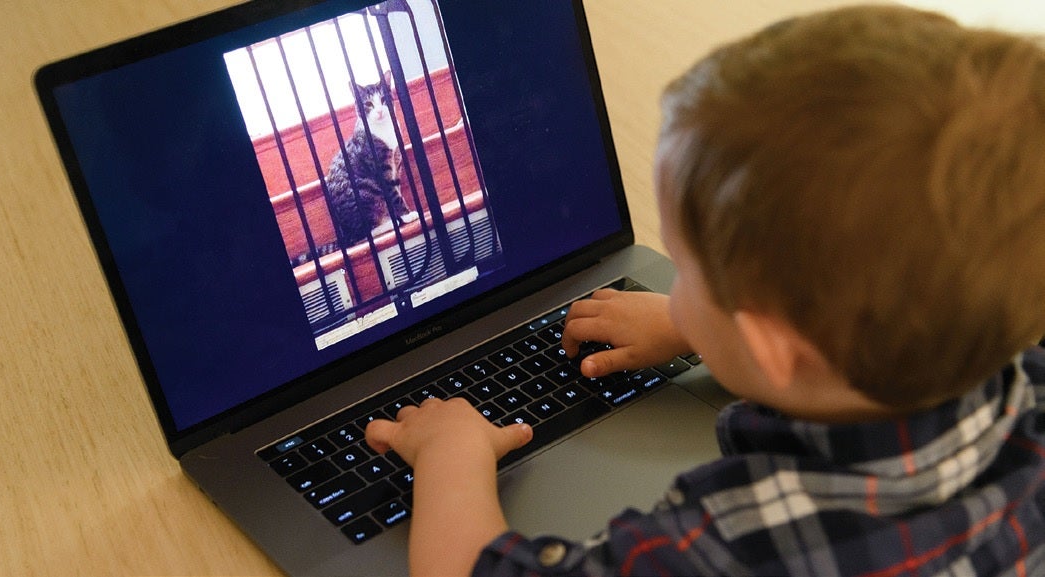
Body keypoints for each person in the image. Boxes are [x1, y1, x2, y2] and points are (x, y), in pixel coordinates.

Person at [365, 5, 1045, 576]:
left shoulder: (725, 545)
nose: (673, 281)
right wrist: (707, 326)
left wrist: (450, 456)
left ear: (770, 345)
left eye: (688, 273)